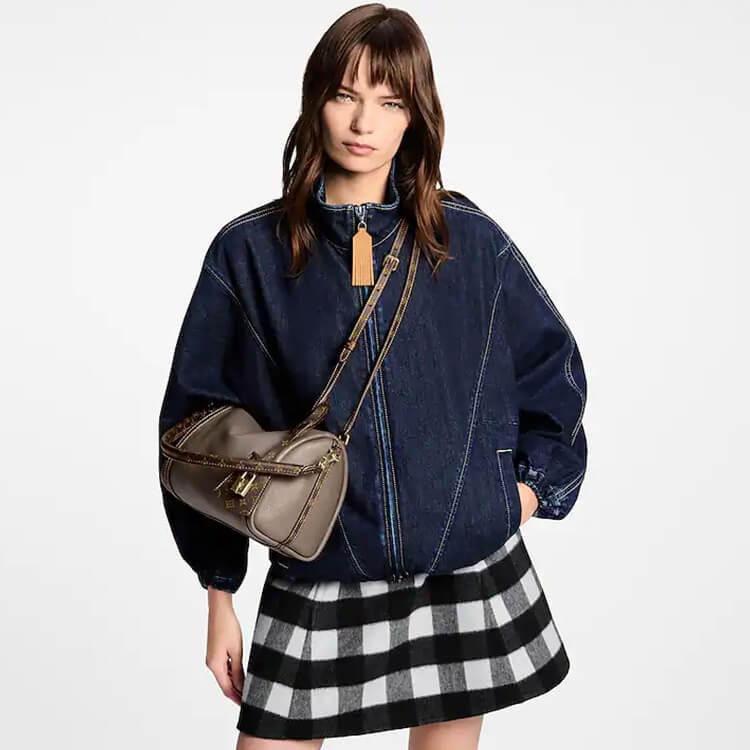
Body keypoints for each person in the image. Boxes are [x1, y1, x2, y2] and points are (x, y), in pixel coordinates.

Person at [157, 4, 588, 749]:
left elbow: (553, 372)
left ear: (415, 117)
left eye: (390, 102)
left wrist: (517, 496)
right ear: (315, 100)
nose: (364, 122)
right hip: (322, 559)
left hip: (461, 562)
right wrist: (219, 591)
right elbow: (196, 433)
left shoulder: (469, 241)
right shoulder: (248, 253)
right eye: (345, 95)